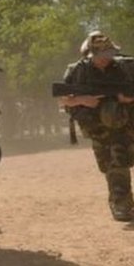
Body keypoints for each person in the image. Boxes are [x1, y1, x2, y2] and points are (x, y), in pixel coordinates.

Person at [59, 31, 134, 221]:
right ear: (92, 54)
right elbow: (63, 98)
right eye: (102, 55)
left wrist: (126, 99)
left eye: (109, 54)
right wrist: (82, 100)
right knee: (110, 165)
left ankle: (122, 204)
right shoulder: (78, 71)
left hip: (124, 123)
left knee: (119, 162)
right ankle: (121, 204)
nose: (106, 59)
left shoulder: (125, 67)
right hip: (96, 127)